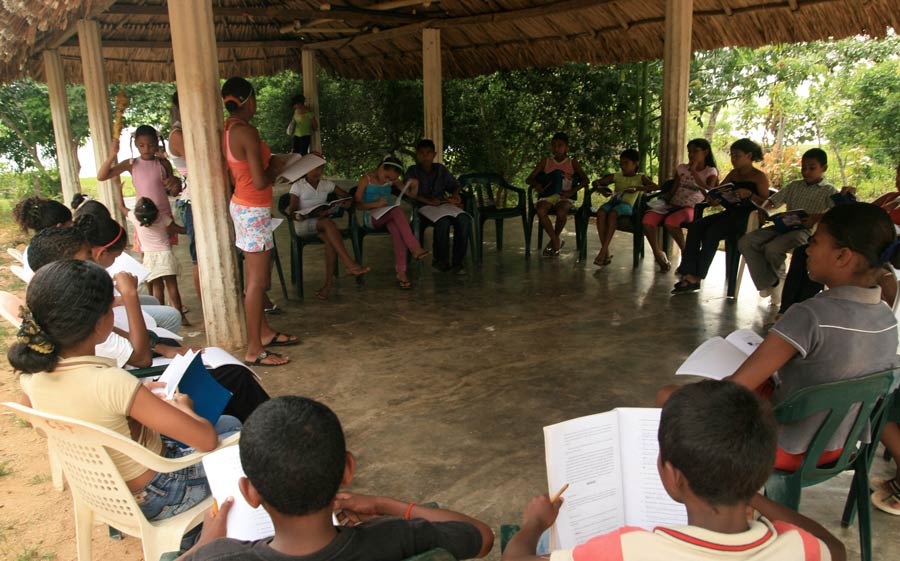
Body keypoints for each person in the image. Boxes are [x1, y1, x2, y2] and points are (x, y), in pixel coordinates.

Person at [659, 203, 900, 472]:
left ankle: (721, 496)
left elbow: (734, 388)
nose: (806, 249)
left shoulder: (809, 315)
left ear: (842, 256)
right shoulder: (887, 318)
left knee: (669, 396)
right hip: (841, 447)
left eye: (815, 241)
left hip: (787, 448)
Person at [9, 259, 242, 523]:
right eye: (111, 309)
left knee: (229, 423)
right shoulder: (112, 383)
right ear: (100, 324)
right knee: (243, 440)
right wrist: (184, 408)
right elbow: (206, 440)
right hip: (163, 493)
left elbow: (40, 419)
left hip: (105, 492)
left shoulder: (32, 377)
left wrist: (131, 402)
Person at [504, 380, 845, 561]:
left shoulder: (629, 550)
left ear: (674, 476)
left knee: (550, 539)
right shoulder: (801, 548)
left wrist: (535, 522)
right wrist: (744, 487)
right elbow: (834, 547)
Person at [176, 396, 494, 561]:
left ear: (250, 492)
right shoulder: (393, 537)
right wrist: (387, 505)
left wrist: (204, 544)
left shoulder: (220, 556)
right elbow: (480, 535)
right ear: (347, 470)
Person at [26, 227, 270, 422]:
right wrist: (130, 296)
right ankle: (272, 441)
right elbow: (141, 360)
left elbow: (116, 333)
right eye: (84, 260)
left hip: (131, 389)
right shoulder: (83, 317)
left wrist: (163, 348)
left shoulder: (53, 307)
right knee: (235, 378)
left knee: (221, 373)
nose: (91, 264)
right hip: (140, 393)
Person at [222, 76, 299, 366]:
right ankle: (254, 349)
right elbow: (259, 178)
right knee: (257, 282)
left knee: (257, 279)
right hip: (253, 208)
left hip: (242, 205)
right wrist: (276, 168)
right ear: (250, 100)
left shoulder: (229, 129)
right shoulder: (248, 131)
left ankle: (263, 333)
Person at [673, 138, 771, 294]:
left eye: (737, 156)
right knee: (696, 226)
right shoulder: (734, 174)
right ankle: (688, 270)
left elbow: (767, 203)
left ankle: (697, 277)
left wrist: (750, 194)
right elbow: (719, 190)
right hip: (730, 213)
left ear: (749, 155)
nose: (733, 159)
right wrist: (715, 198)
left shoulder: (759, 177)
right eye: (732, 155)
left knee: (713, 232)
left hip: (746, 218)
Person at [738, 148, 837, 302]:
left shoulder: (829, 190)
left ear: (823, 168)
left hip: (806, 231)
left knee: (772, 248)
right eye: (804, 167)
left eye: (812, 168)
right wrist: (764, 209)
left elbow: (835, 213)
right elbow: (773, 201)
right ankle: (769, 282)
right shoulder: (794, 185)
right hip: (784, 226)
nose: (806, 172)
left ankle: (780, 281)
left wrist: (816, 217)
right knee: (746, 242)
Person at [287, 153, 369, 299]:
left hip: (322, 226)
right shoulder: (297, 186)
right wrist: (306, 215)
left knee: (331, 240)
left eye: (320, 168)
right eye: (314, 168)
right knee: (328, 223)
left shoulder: (327, 184)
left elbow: (347, 196)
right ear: (306, 168)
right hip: (303, 226)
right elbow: (292, 211)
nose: (317, 171)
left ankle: (328, 285)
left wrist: (346, 202)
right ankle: (349, 263)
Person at [642, 139, 718, 272]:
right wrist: (664, 200)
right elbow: (674, 189)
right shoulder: (682, 168)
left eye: (695, 151)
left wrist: (694, 172)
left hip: (692, 208)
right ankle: (658, 253)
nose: (691, 155)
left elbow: (709, 193)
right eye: (689, 152)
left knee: (671, 222)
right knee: (647, 220)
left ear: (705, 152)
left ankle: (686, 255)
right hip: (673, 205)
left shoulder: (710, 171)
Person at [355, 155, 430, 289]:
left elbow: (412, 195)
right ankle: (415, 248)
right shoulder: (365, 179)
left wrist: (415, 185)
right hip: (372, 217)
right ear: (382, 167)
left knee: (396, 229)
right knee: (397, 211)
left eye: (392, 178)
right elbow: (357, 205)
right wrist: (374, 204)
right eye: (387, 176)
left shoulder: (393, 180)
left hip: (389, 216)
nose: (388, 180)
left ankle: (401, 272)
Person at [405, 139, 471, 273]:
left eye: (428, 153)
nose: (425, 156)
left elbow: (455, 185)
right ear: (417, 155)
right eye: (422, 153)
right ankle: (440, 261)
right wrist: (428, 201)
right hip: (423, 208)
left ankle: (458, 262)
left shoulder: (440, 169)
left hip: (442, 205)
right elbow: (409, 194)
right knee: (443, 222)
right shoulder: (412, 171)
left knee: (464, 219)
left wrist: (455, 195)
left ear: (434, 155)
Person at [526, 133, 590, 257]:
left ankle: (552, 242)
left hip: (565, 196)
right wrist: (536, 184)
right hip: (548, 195)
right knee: (540, 210)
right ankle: (556, 241)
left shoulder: (573, 163)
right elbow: (529, 179)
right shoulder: (546, 161)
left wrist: (572, 191)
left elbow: (585, 180)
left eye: (560, 145)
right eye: (553, 145)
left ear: (566, 147)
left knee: (561, 212)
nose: (556, 148)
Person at [590, 149, 656, 266]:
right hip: (613, 202)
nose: (623, 166)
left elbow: (655, 187)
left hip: (626, 206)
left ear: (636, 164)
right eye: (621, 163)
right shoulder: (617, 176)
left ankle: (603, 251)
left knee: (613, 214)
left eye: (626, 163)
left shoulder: (640, 178)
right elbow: (596, 182)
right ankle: (605, 251)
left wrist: (637, 188)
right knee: (601, 212)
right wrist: (602, 190)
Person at [168, 91, 203, 308]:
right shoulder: (178, 134)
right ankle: (208, 307)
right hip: (193, 202)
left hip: (200, 200)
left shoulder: (188, 130)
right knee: (199, 257)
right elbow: (200, 164)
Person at [130, 197, 188, 324]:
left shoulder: (134, 218)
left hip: (150, 258)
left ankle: (160, 317)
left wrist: (118, 190)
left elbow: (122, 208)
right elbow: (179, 229)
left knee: (157, 287)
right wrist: (191, 228)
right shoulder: (163, 218)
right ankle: (181, 316)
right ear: (155, 211)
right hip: (166, 255)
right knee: (172, 287)